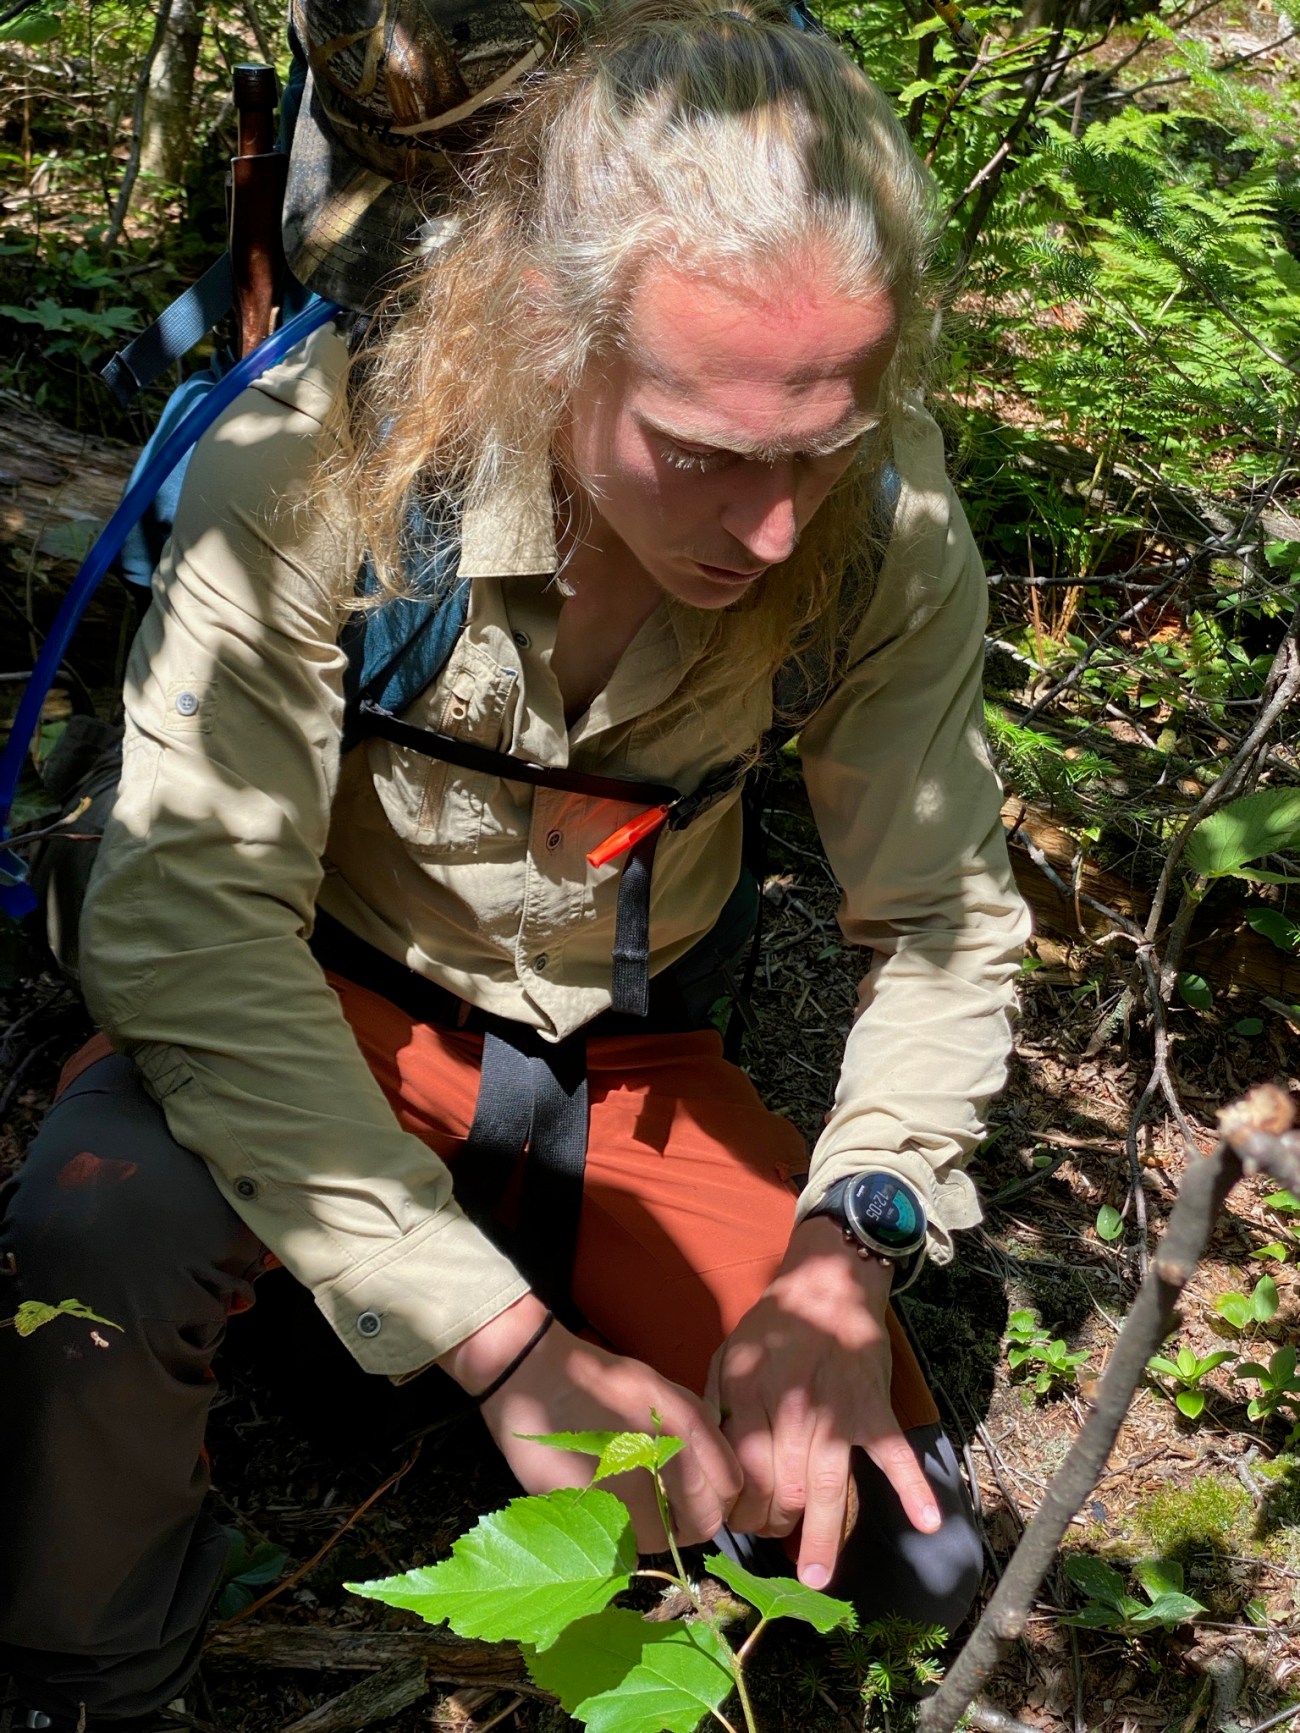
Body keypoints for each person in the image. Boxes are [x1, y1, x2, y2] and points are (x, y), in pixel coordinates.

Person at [0, 0, 1030, 1726]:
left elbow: (938, 920)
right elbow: (188, 929)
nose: (773, 527)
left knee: (900, 1550)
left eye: (822, 447)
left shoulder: (883, 526)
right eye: (704, 452)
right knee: (98, 1247)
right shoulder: (315, 466)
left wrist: (849, 1241)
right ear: (549, 331)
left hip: (629, 1062)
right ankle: (88, 1671)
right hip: (324, 995)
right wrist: (505, 1348)